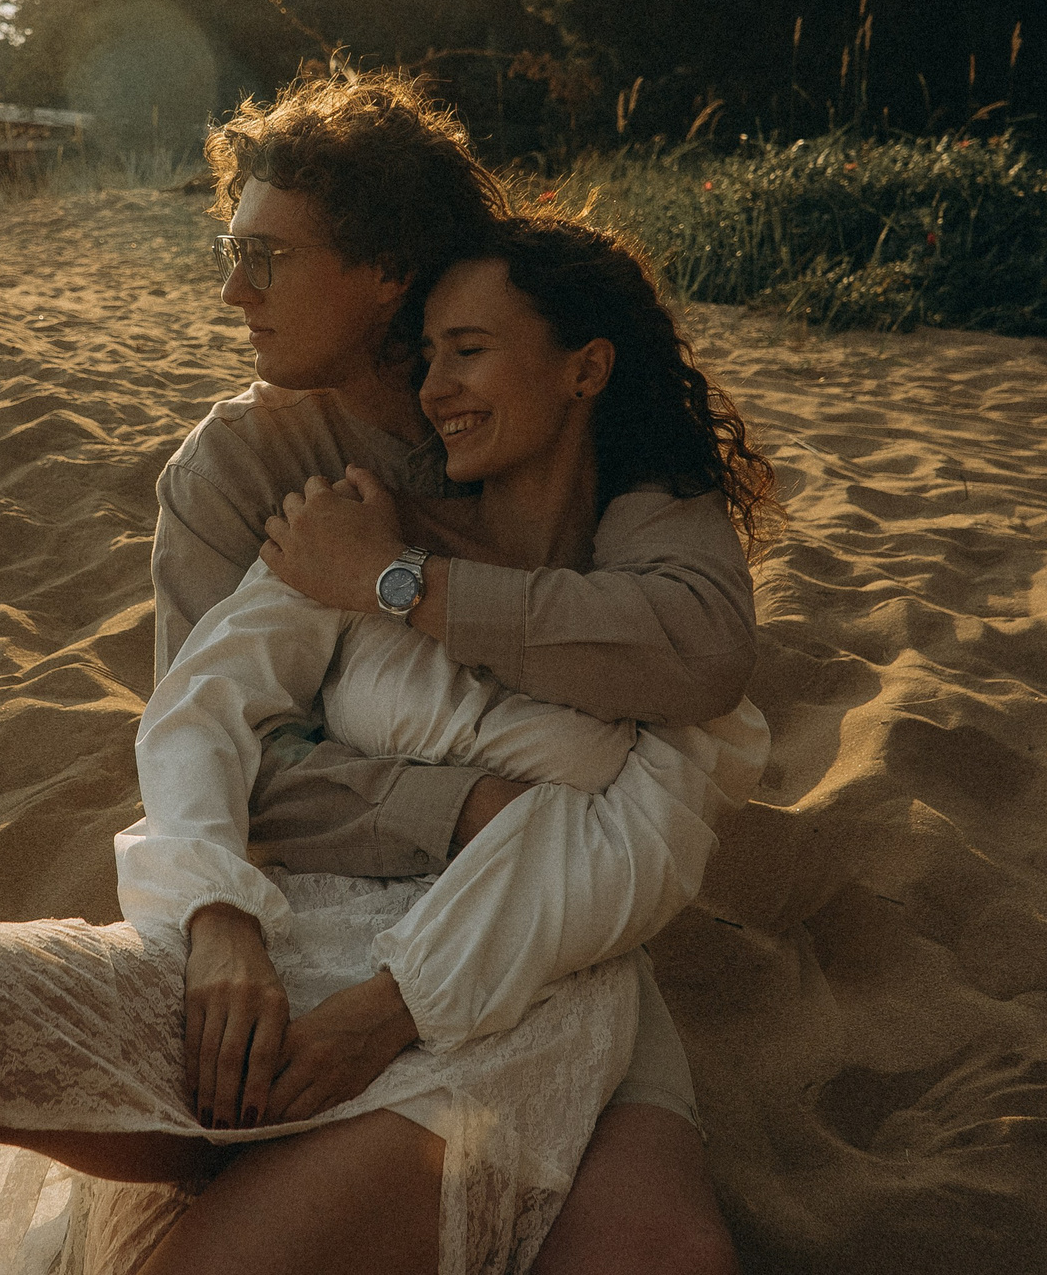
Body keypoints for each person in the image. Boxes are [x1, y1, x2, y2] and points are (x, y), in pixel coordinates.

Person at [0, 209, 773, 1274]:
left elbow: (627, 852)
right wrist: (219, 914)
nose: (436, 387)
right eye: (428, 353)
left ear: (586, 369)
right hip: (285, 932)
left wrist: (390, 1009)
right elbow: (203, 708)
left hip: (496, 1001)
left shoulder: (652, 617)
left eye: (469, 351)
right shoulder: (356, 525)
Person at [148, 73, 769, 1271]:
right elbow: (222, 753)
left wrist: (398, 581)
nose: (233, 292)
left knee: (664, 1254)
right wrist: (469, 809)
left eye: (265, 257)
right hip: (320, 919)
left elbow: (697, 649)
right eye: (232, 254)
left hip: (563, 914)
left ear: (386, 267)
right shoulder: (237, 471)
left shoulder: (556, 415)